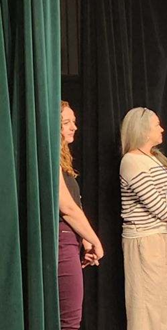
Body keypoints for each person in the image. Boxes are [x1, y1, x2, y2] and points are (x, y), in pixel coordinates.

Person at [119, 107, 167, 330]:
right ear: (142, 130)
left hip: (164, 235)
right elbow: (154, 203)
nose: (162, 129)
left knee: (165, 303)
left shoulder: (155, 159)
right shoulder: (131, 161)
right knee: (147, 305)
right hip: (145, 240)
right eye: (156, 125)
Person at [58, 101, 104, 330]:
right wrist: (95, 241)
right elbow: (66, 207)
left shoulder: (63, 161)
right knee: (69, 322)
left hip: (69, 241)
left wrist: (85, 241)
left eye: (73, 121)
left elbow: (75, 205)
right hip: (61, 243)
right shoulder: (49, 158)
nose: (74, 127)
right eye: (66, 122)